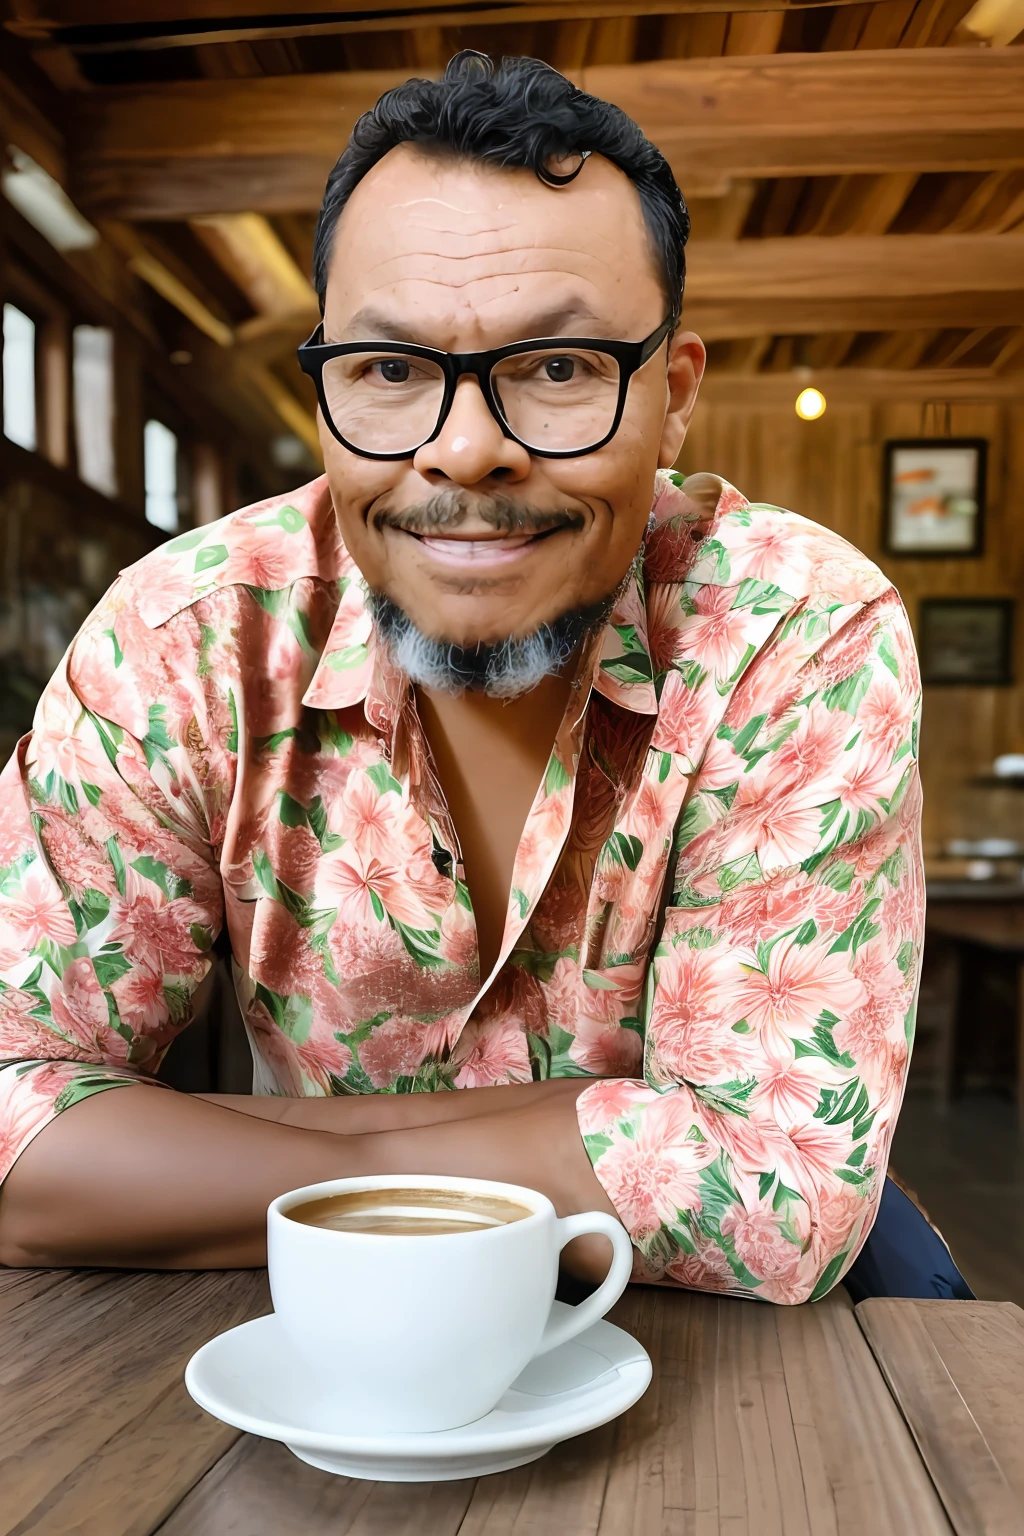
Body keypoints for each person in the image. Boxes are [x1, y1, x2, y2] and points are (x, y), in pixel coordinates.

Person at [0, 52, 966, 1303]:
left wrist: (221, 1149)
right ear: (329, 386)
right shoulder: (187, 634)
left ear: (670, 400)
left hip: (722, 1351)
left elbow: (775, 1200)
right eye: (391, 371)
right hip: (342, 1328)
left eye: (558, 369)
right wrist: (606, 1131)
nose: (464, 451)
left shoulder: (793, 629)